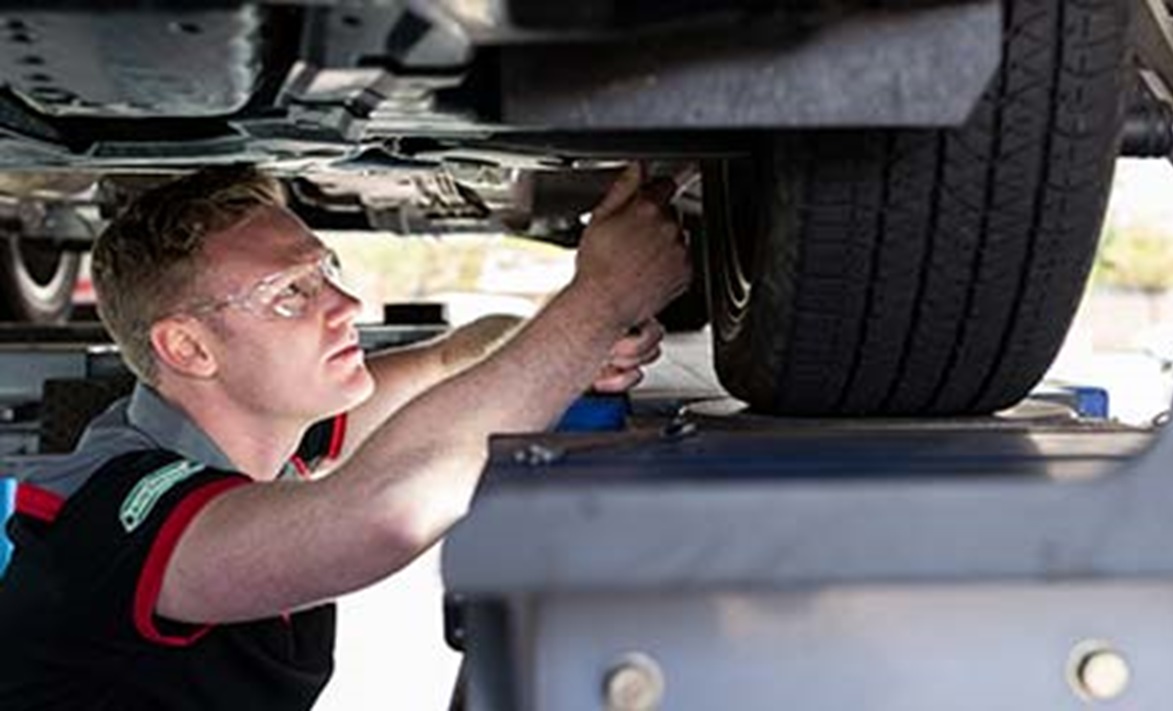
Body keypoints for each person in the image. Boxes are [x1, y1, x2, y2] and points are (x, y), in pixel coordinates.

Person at [0, 163, 690, 710]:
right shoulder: (122, 515)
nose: (347, 305)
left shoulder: (260, 430)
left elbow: (453, 360)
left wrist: (577, 343)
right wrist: (598, 299)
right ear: (188, 346)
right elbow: (379, 513)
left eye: (325, 270)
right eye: (291, 294)